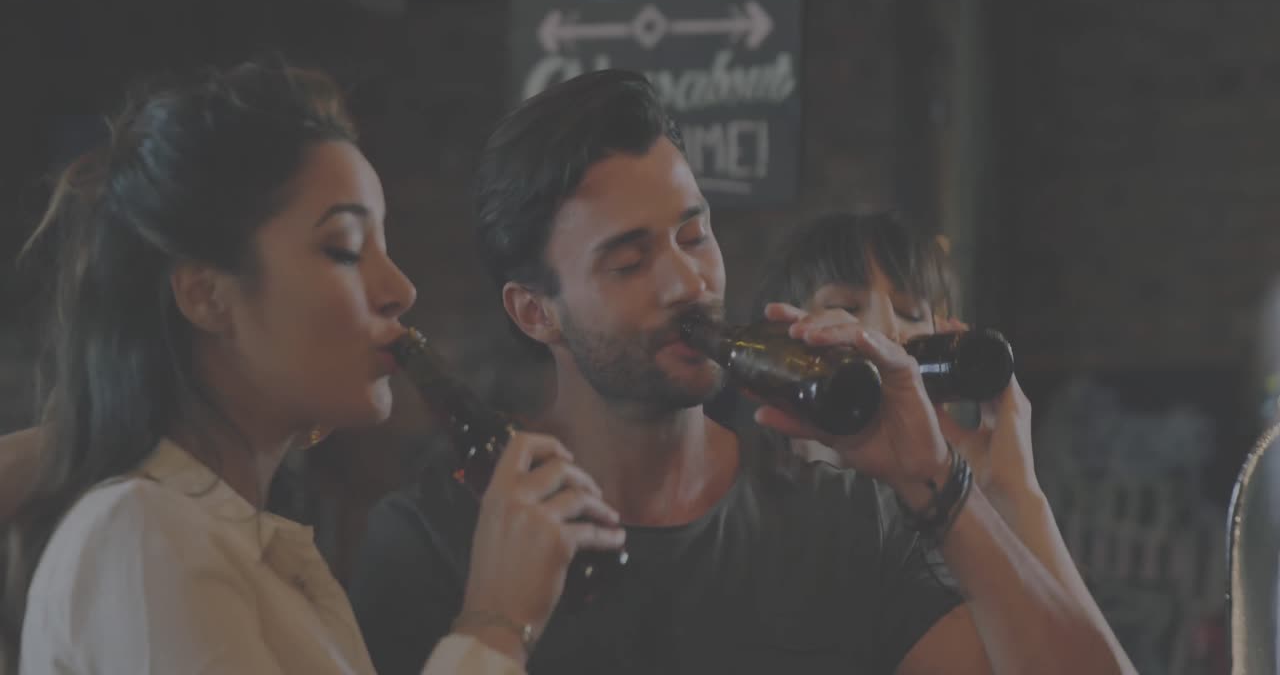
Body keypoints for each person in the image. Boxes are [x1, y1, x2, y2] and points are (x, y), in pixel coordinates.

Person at [349, 68, 1133, 674]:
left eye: (694, 237)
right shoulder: (440, 541)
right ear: (535, 312)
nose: (686, 283)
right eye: (629, 261)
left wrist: (949, 483)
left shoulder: (846, 519)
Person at [0, 59, 624, 674]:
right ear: (206, 295)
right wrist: (494, 622)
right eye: (345, 249)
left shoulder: (255, 555)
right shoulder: (140, 538)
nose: (401, 289)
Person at [734, 210, 1136, 668]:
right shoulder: (744, 530)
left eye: (911, 313)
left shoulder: (965, 542)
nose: (889, 330)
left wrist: (1015, 495)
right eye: (846, 305)